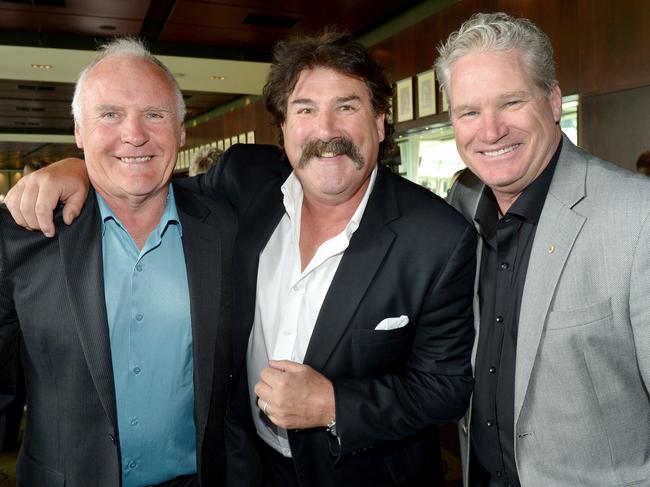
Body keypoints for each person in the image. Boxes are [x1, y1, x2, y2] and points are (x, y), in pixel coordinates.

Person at [5, 32, 478, 487]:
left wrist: (335, 404)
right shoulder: (247, 187)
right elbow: (141, 181)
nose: (326, 129)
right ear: (285, 128)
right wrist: (74, 168)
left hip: (361, 472)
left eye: (347, 107)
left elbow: (447, 386)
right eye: (305, 109)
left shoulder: (437, 235)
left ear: (379, 122)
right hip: (246, 469)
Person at [0, 38, 236, 487]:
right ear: (79, 131)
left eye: (154, 114)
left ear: (182, 131)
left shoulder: (225, 226)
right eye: (109, 115)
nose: (134, 134)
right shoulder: (21, 236)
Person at [433, 12, 650, 487]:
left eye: (510, 102)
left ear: (552, 101)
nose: (489, 131)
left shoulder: (639, 216)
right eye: (469, 112)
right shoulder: (462, 204)